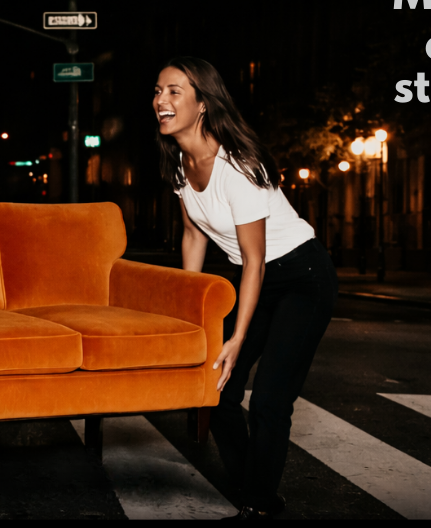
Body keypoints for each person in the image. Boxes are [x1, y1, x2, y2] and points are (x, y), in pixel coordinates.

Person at [154, 56, 337, 519]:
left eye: (175, 91)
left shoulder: (237, 165)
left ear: (203, 104)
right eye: (158, 91)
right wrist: (192, 307)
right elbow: (194, 234)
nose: (161, 101)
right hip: (258, 278)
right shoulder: (180, 161)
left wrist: (236, 338)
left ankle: (258, 505)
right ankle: (250, 488)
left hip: (301, 277)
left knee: (271, 399)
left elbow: (253, 259)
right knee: (217, 391)